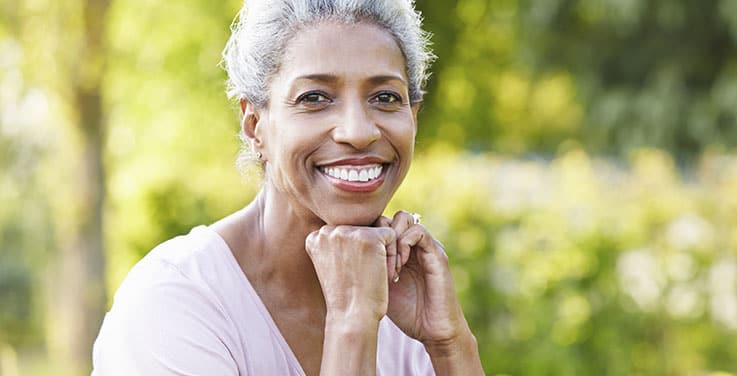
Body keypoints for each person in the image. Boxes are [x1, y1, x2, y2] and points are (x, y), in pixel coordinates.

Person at [91, 0, 484, 374]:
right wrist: (351, 322)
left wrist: (448, 343)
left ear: (412, 117)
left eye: (385, 97)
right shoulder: (172, 304)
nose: (359, 131)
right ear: (254, 125)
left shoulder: (405, 306)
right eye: (314, 98)